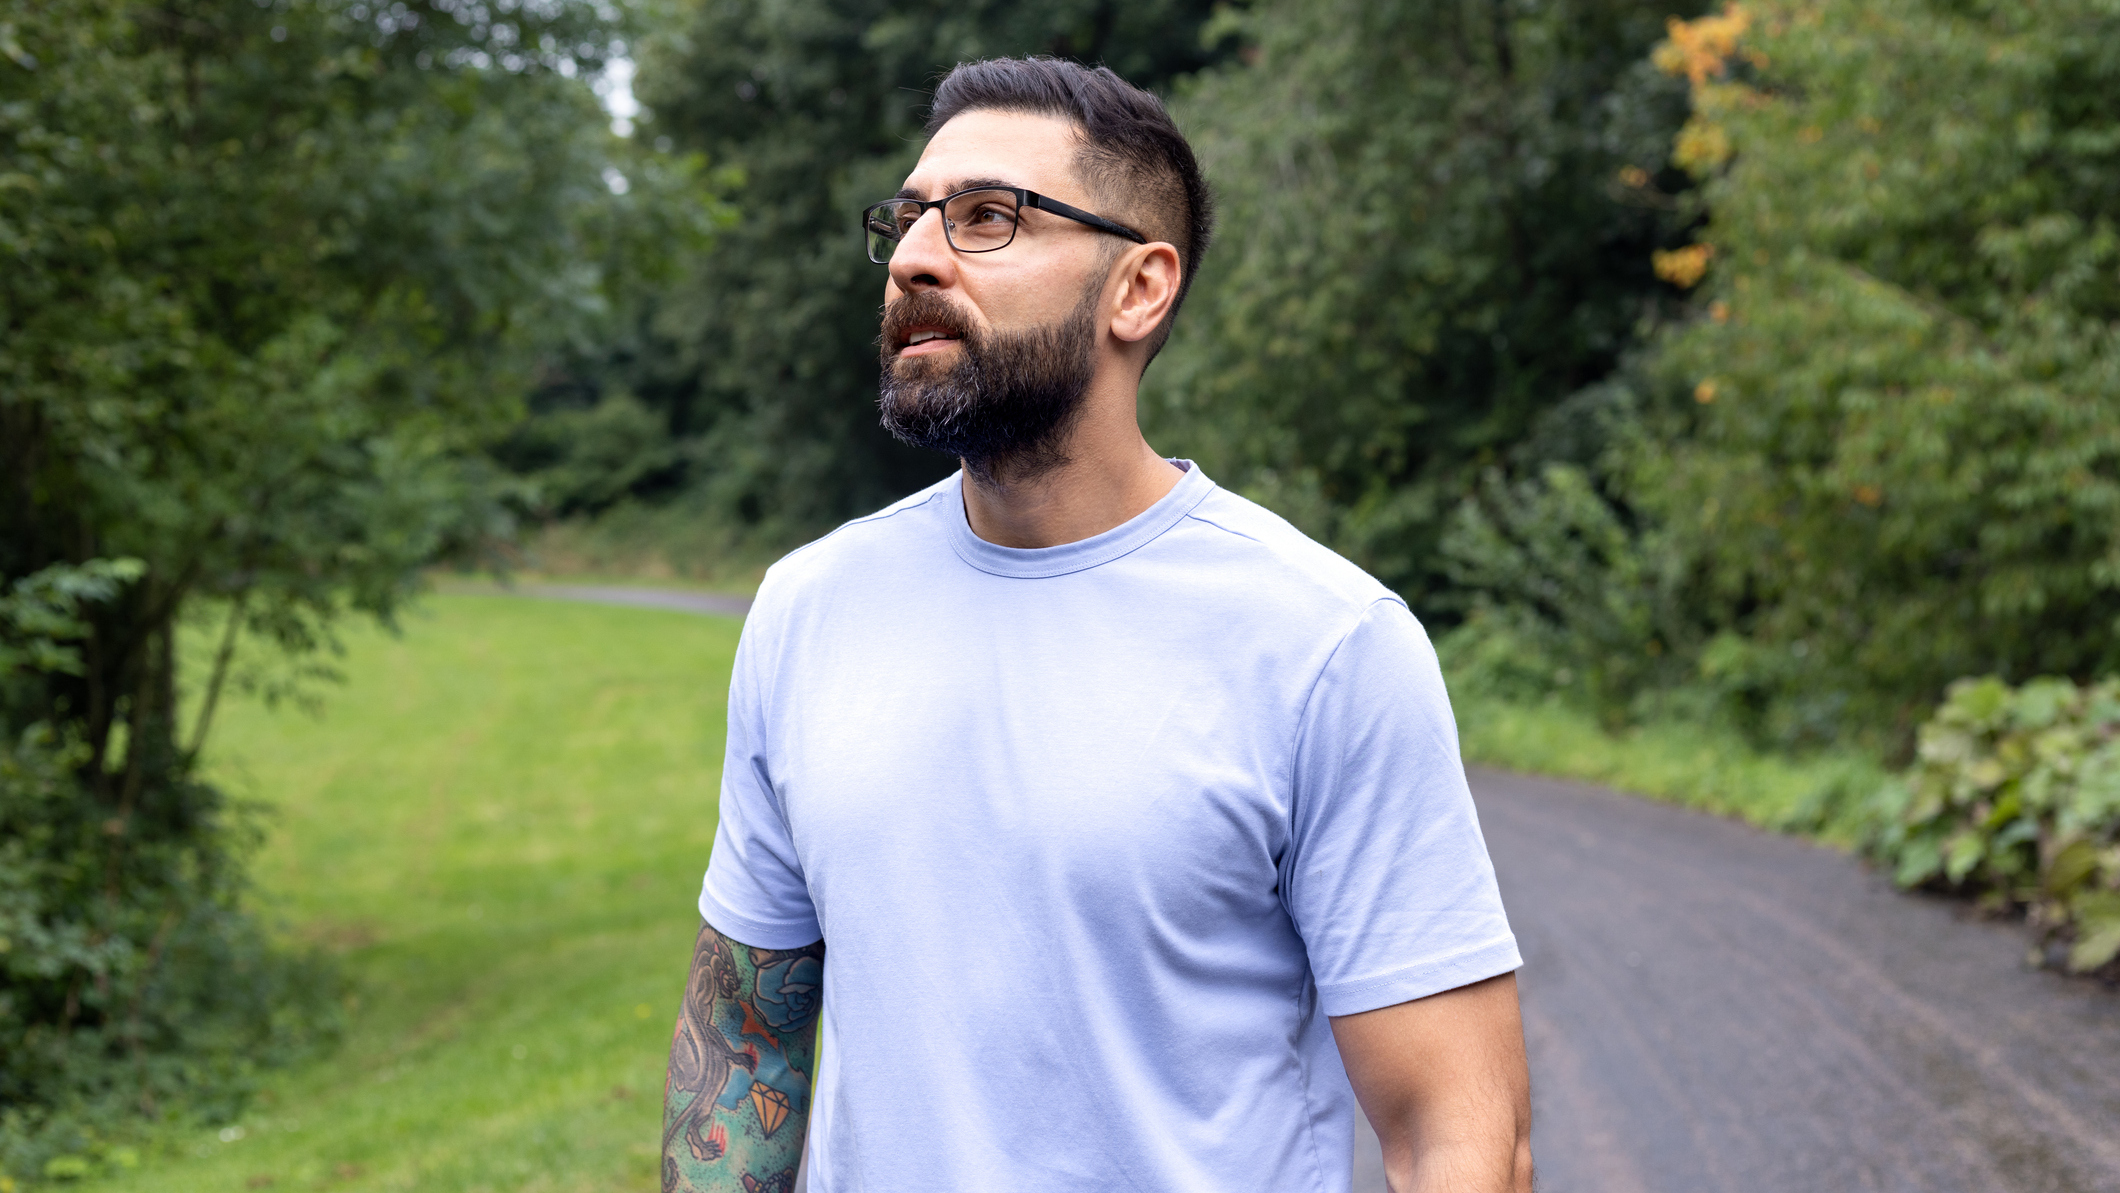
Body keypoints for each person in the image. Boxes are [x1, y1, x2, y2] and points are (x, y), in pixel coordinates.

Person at [662, 56, 1532, 1193]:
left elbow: (1454, 1132)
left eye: (985, 218)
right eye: (910, 219)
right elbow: (743, 1042)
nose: (915, 256)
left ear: (1138, 288)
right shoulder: (807, 609)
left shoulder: (1321, 643)